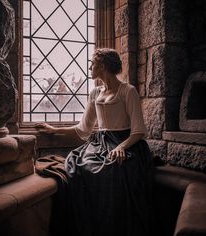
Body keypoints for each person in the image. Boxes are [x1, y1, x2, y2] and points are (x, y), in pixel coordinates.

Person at [35, 48, 154, 236]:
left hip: (126, 142)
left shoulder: (128, 91)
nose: (90, 67)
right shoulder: (94, 93)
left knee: (113, 169)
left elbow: (139, 131)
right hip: (99, 143)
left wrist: (121, 147)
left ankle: (112, 227)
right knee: (76, 165)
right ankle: (89, 225)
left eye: (93, 63)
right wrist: (53, 130)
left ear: (103, 65)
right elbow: (83, 130)